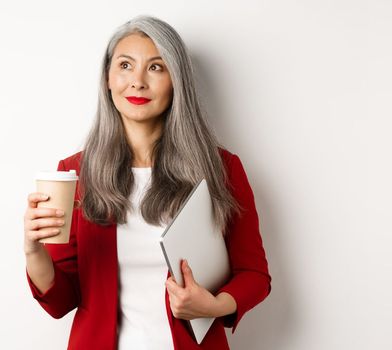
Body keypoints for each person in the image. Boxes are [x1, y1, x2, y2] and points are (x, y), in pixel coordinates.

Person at [23, 15, 271, 349]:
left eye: (156, 67)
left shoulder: (221, 168)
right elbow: (61, 301)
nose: (137, 81)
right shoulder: (74, 173)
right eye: (125, 65)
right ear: (108, 78)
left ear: (176, 81)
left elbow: (254, 275)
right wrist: (33, 251)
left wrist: (214, 306)